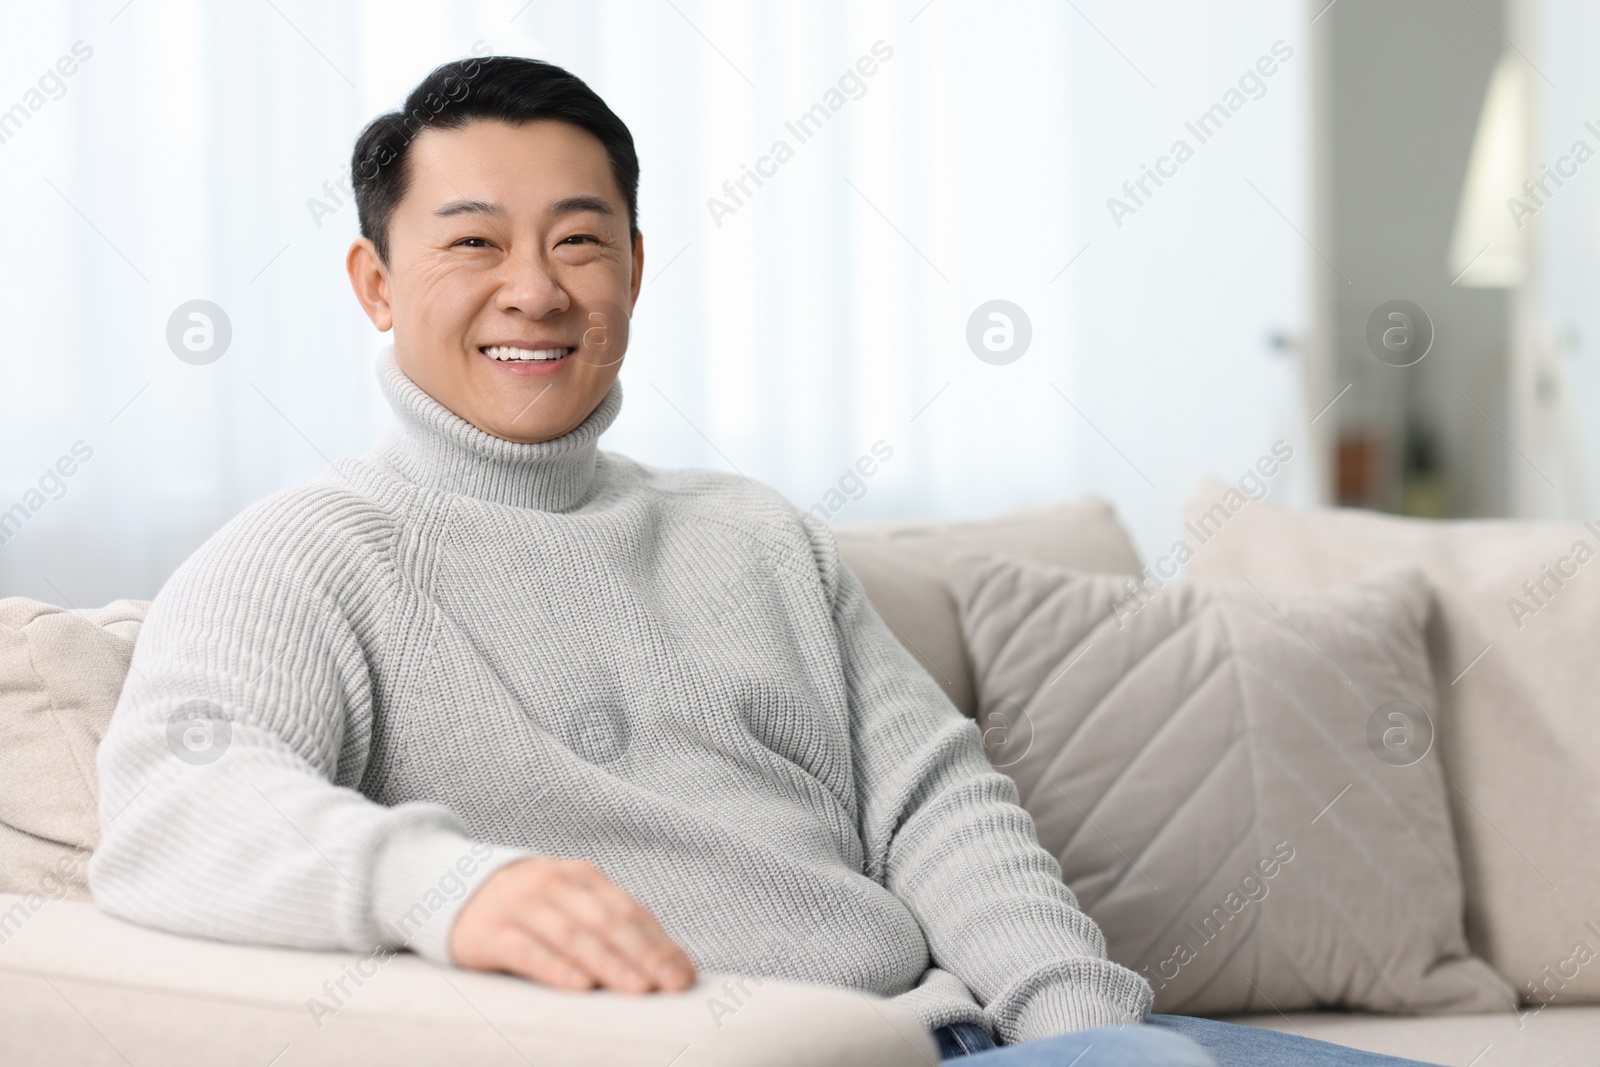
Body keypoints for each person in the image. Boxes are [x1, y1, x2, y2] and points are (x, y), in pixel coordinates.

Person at [90, 55, 1437, 1067]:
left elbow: (939, 805)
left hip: (982, 1043)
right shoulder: (305, 555)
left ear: (630, 264)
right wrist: (452, 887)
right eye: (473, 243)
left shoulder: (753, 532)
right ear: (377, 285)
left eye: (578, 239)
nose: (536, 289)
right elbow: (170, 806)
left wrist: (1078, 1026)